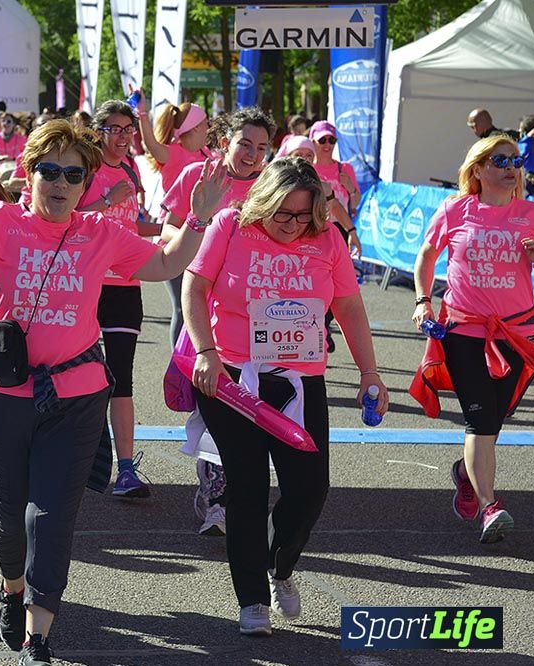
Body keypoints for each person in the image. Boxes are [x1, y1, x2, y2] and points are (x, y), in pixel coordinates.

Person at [0, 119, 230, 665]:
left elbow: (165, 263)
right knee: (10, 513)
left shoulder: (98, 232)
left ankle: (40, 631)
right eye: (49, 170)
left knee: (52, 515)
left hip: (77, 395)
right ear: (28, 171)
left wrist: (197, 216)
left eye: (73, 174)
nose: (60, 183)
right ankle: (13, 590)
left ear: (86, 184)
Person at [183, 156, 387, 637]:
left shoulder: (326, 237)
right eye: (284, 215)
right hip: (231, 378)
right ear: (263, 202)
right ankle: (251, 599)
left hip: (298, 379)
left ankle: (281, 566)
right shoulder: (230, 225)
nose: (295, 226)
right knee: (247, 488)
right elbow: (194, 287)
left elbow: (350, 307)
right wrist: (206, 351)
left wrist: (370, 372)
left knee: (309, 489)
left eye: (304, 216)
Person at [411, 135, 534, 545]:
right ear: (478, 169)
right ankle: (490, 507)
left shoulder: (532, 213)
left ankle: (466, 472)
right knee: (480, 419)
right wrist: (422, 302)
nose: (510, 167)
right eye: (499, 160)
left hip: (517, 334)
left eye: (515, 160)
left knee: (493, 422)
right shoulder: (455, 209)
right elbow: (427, 257)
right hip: (464, 332)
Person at [78, 100, 160, 498]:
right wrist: (107, 199)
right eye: (115, 128)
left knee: (121, 377)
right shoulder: (87, 169)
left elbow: (132, 227)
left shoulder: (130, 169)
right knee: (77, 375)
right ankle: (71, 461)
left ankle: (125, 470)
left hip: (126, 285)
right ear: (99, 131)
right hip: (86, 284)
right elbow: (70, 216)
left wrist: (178, 228)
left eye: (129, 128)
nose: (124, 135)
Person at [159, 107, 274, 346]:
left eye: (261, 148)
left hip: (239, 272)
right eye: (245, 144)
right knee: (187, 313)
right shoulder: (197, 174)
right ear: (225, 142)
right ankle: (182, 370)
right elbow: (166, 230)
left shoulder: (269, 184)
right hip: (188, 262)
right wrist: (197, 239)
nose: (253, 154)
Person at [308, 120, 364, 352]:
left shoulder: (344, 168)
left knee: (336, 281)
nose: (328, 144)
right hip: (312, 227)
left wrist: (350, 187)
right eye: (323, 140)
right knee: (315, 279)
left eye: (332, 140)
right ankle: (316, 325)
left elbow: (355, 202)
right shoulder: (306, 167)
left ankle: (324, 324)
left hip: (339, 227)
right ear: (313, 141)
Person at [278, 135, 362, 260]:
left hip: (310, 247)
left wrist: (352, 231)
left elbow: (335, 206)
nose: (304, 159)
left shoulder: (322, 187)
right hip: (281, 246)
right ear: (288, 157)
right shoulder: (277, 184)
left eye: (309, 155)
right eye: (299, 155)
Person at [518, 114, 534, 197]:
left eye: (522, 133)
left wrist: (529, 137)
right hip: (529, 204)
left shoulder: (525, 150)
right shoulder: (522, 149)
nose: (521, 136)